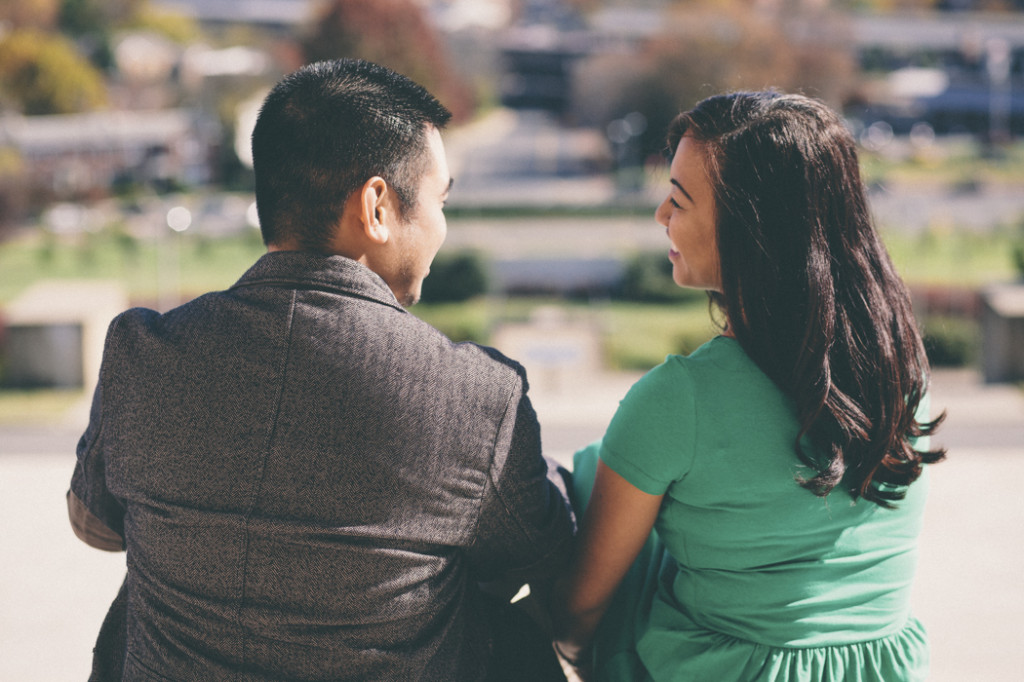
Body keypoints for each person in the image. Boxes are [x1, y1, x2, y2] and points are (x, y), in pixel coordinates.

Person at [68, 58, 574, 681]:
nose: (443, 225)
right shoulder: (476, 398)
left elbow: (93, 523)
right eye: (441, 200)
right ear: (378, 207)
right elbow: (547, 547)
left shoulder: (142, 352)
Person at [550, 91, 946, 681]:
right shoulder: (902, 371)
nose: (661, 215)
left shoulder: (678, 399)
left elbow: (579, 605)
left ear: (749, 227)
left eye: (679, 201)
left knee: (587, 478)